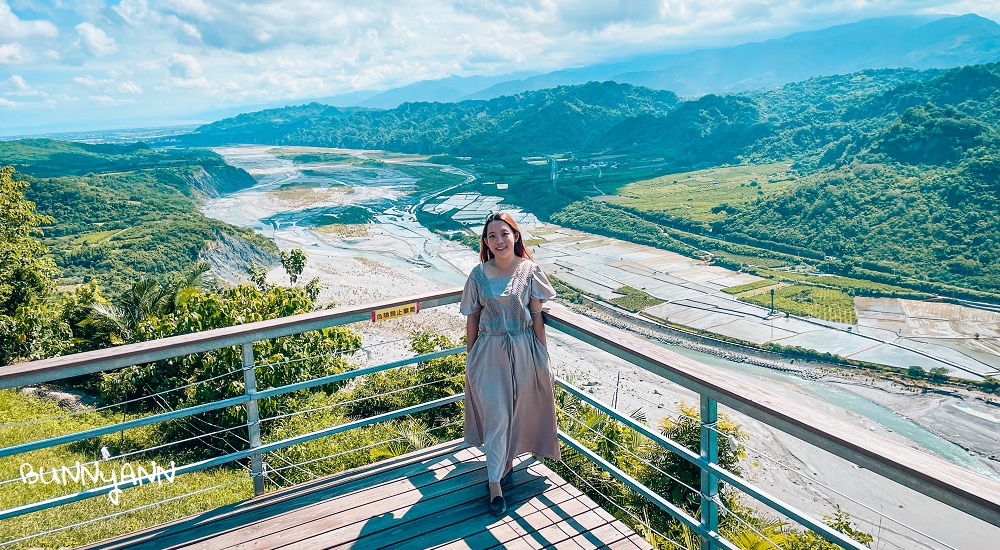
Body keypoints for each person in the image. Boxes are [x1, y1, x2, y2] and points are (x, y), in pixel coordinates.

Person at [460, 211, 560, 517]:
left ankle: (503, 464)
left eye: (504, 233)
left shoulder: (529, 271)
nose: (499, 240)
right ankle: (495, 486)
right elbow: (472, 317)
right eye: (492, 236)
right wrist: (471, 358)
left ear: (515, 235)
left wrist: (543, 357)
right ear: (486, 242)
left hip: (524, 350)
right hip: (489, 353)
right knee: (497, 415)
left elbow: (538, 317)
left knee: (517, 411)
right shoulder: (478, 275)